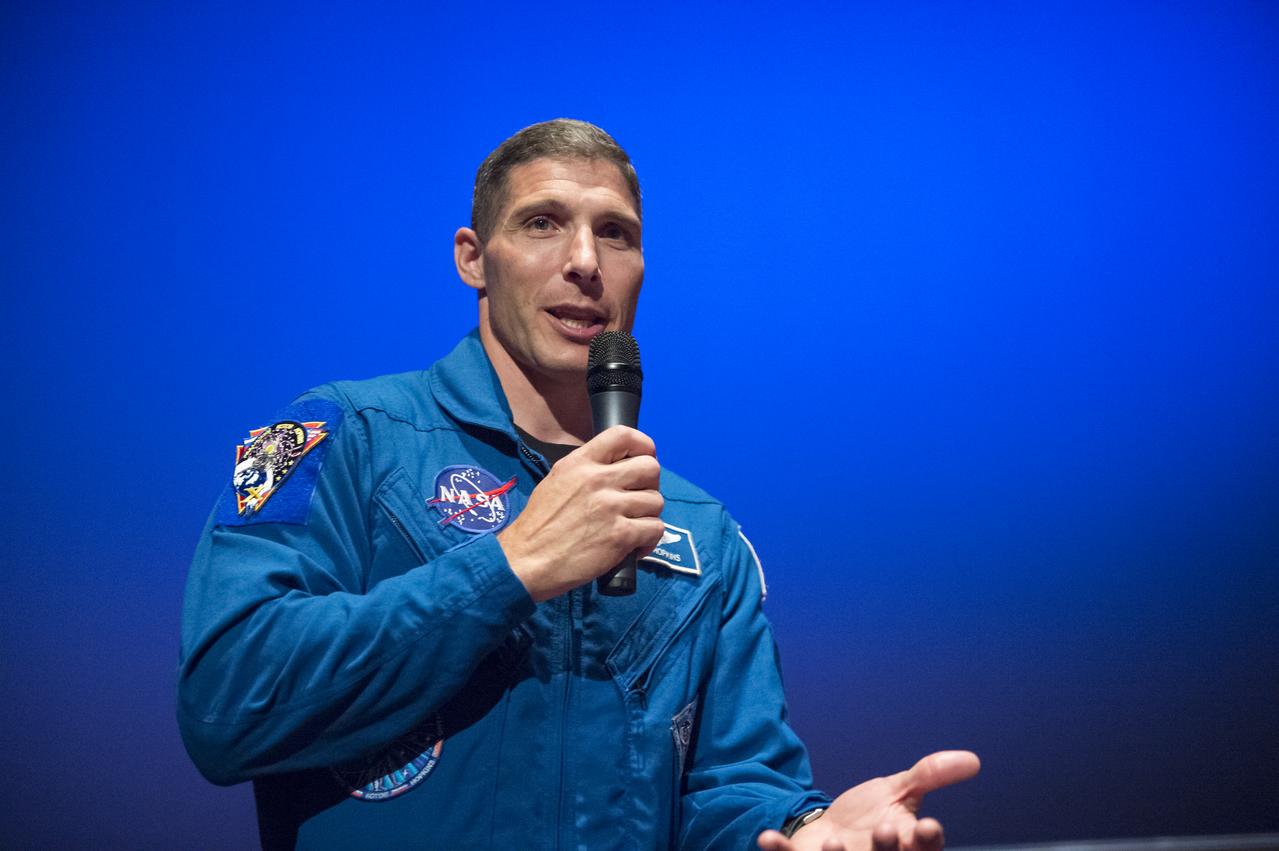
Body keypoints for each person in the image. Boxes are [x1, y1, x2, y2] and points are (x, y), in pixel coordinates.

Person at [178, 119, 979, 850]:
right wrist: (511, 565)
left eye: (616, 235)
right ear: (472, 258)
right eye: (542, 223)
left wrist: (802, 827)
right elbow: (225, 705)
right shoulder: (330, 436)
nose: (586, 261)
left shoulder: (703, 533)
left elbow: (732, 790)